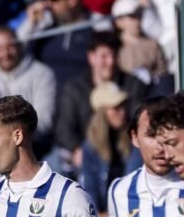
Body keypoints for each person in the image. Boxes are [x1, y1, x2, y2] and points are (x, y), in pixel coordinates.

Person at [54, 31, 147, 171]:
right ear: (91, 57)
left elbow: (138, 118)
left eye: (114, 55)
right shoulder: (75, 89)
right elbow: (64, 128)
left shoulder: (132, 84)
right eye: (104, 56)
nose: (110, 62)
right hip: (85, 151)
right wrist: (76, 149)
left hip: (123, 150)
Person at [0, 26, 57, 155]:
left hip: (32, 147)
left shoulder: (42, 74)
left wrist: (11, 141)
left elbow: (44, 119)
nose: (5, 54)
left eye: (10, 46)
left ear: (19, 46)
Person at [79, 82, 138, 215]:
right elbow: (89, 192)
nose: (123, 112)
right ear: (102, 112)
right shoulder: (90, 148)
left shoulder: (135, 142)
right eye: (116, 108)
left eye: (124, 106)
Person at [111, 0, 167, 82]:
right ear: (119, 21)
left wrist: (151, 77)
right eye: (132, 16)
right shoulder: (112, 46)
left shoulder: (152, 45)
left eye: (139, 15)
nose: (138, 20)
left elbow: (162, 74)